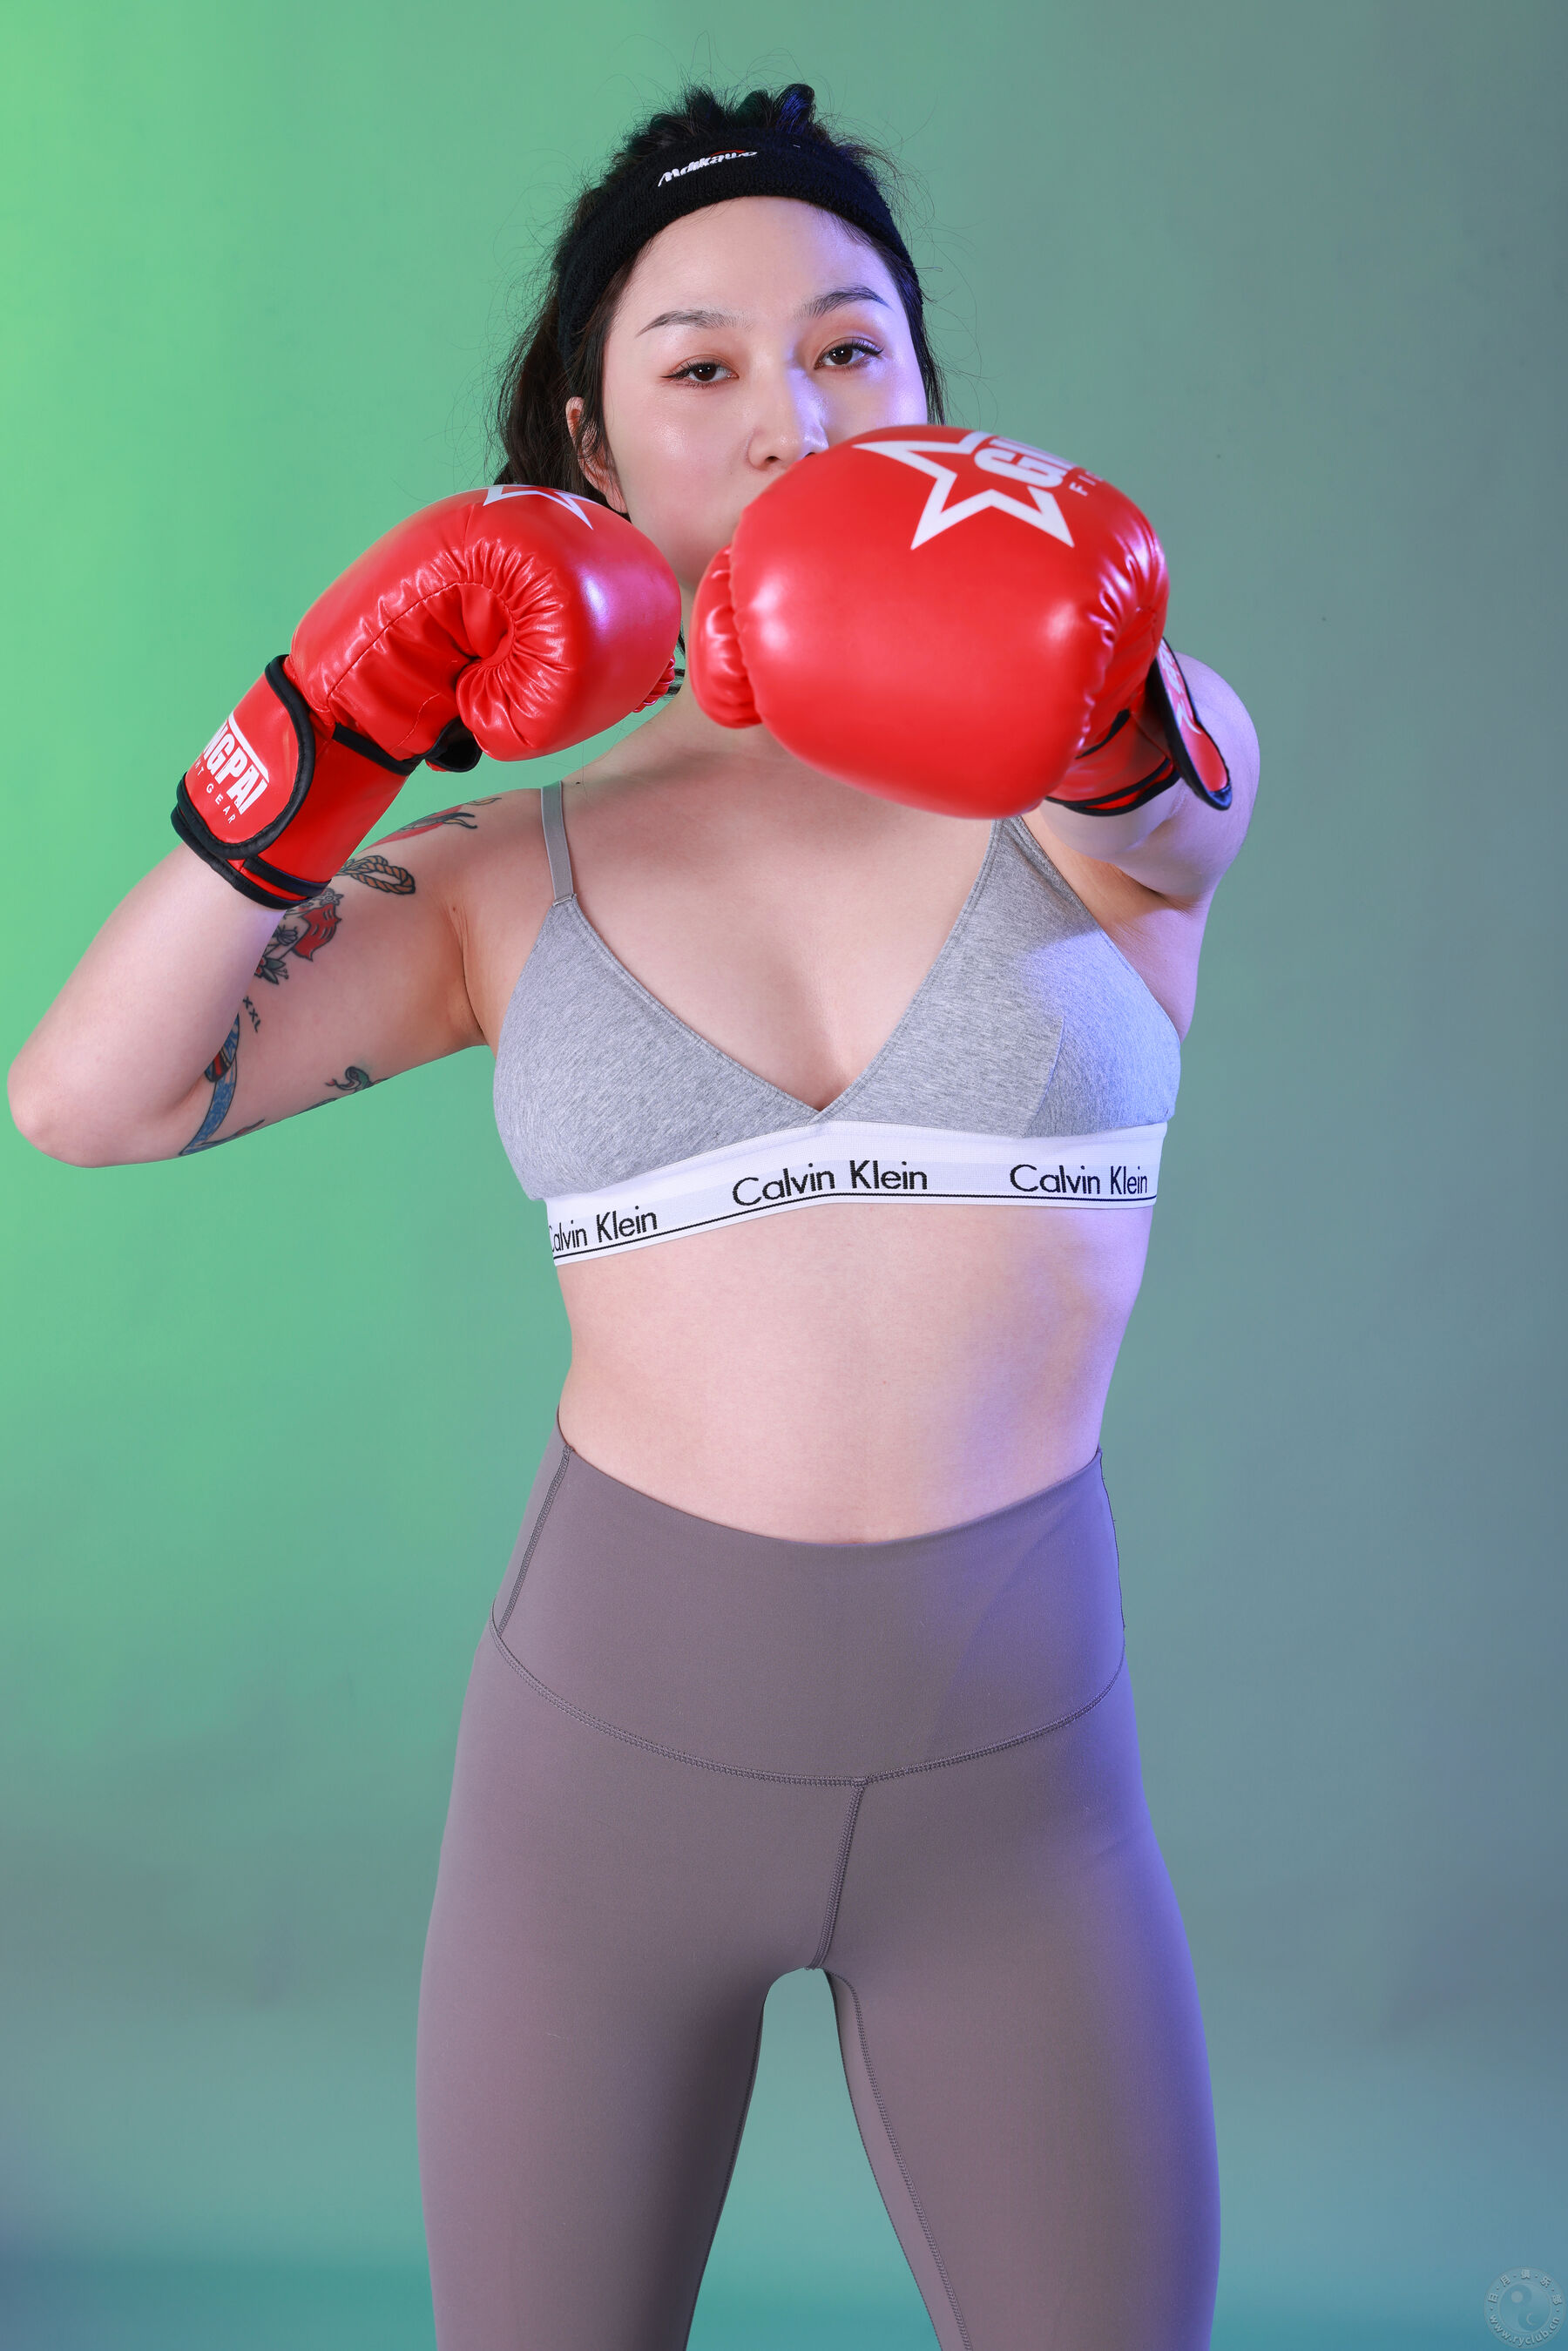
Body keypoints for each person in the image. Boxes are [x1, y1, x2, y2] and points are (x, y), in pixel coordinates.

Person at [8, 79, 1259, 2351]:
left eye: (852, 346)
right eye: (703, 367)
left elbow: (1181, 805)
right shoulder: (507, 869)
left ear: (934, 392)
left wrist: (1053, 671)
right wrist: (321, 729)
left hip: (1017, 1797)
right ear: (590, 453)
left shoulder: (1108, 761)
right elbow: (88, 1098)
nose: (795, 415)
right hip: (604, 1778)